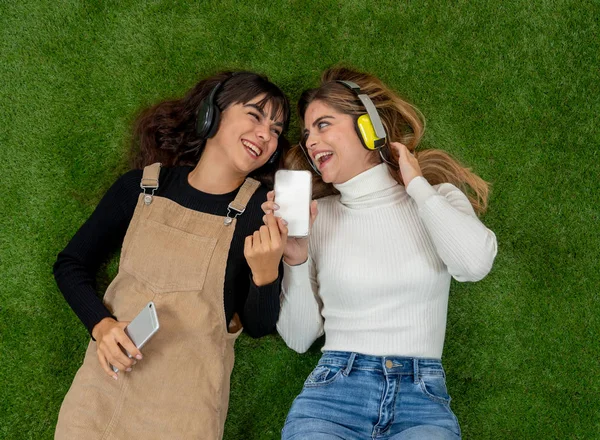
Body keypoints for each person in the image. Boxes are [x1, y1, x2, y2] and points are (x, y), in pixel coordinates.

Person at [263, 67, 498, 439]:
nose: (310, 142)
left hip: (421, 402)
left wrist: (417, 185)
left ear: (370, 126)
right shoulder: (317, 218)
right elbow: (299, 337)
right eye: (307, 134)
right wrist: (295, 257)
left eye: (323, 125)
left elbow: (474, 264)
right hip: (332, 398)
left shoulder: (438, 199)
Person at [54, 71, 290, 439]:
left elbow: (259, 326)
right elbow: (71, 265)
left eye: (276, 129)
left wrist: (266, 273)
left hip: (187, 413)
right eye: (255, 116)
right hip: (99, 400)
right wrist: (101, 326)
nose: (266, 135)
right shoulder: (141, 187)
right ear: (211, 115)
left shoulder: (262, 212)